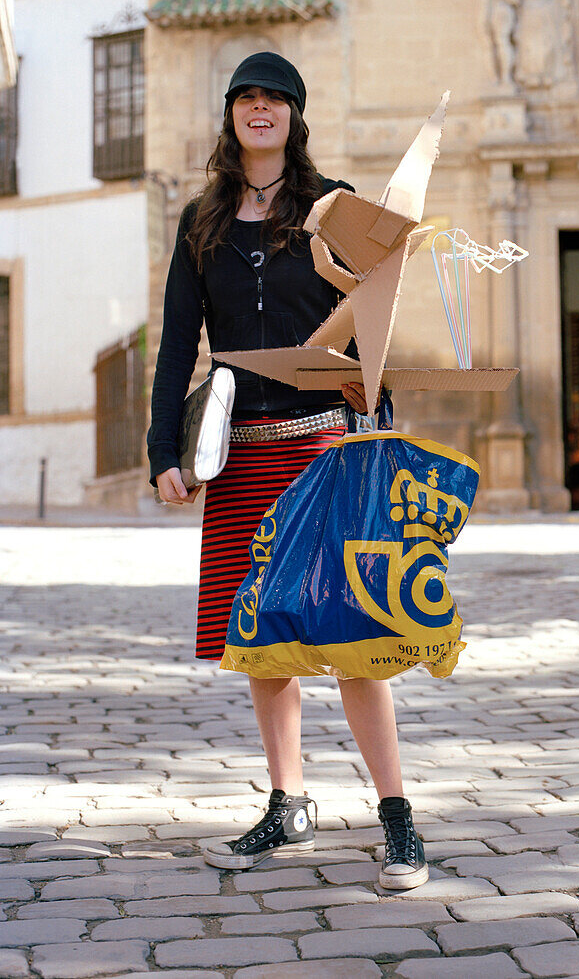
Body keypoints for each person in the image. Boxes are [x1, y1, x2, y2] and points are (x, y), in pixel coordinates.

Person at [147, 51, 428, 890]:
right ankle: (287, 800)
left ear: (295, 117)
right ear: (231, 115)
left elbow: (377, 317)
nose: (260, 110)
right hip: (240, 459)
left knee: (354, 643)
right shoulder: (200, 223)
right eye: (247, 98)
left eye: (275, 99)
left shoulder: (335, 209)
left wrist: (369, 386)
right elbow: (173, 349)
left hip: (323, 449)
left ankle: (398, 820)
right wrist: (164, 450)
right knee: (261, 644)